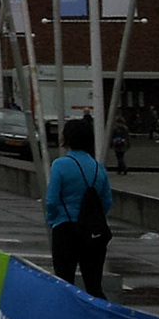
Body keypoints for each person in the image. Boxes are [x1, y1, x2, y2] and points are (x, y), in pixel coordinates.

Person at [45, 118, 114, 298]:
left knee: (64, 282)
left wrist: (52, 220)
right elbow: (107, 201)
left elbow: (51, 200)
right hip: (93, 233)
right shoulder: (98, 168)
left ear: (66, 139)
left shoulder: (60, 165)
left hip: (65, 228)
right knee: (94, 284)